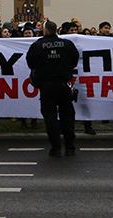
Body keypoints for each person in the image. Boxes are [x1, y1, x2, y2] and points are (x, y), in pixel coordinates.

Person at [26, 20, 80, 157]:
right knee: (67, 117)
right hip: (64, 85)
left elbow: (30, 62)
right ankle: (70, 147)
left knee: (50, 118)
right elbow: (74, 60)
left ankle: (56, 147)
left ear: (44, 30)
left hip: (47, 87)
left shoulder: (37, 45)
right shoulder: (67, 44)